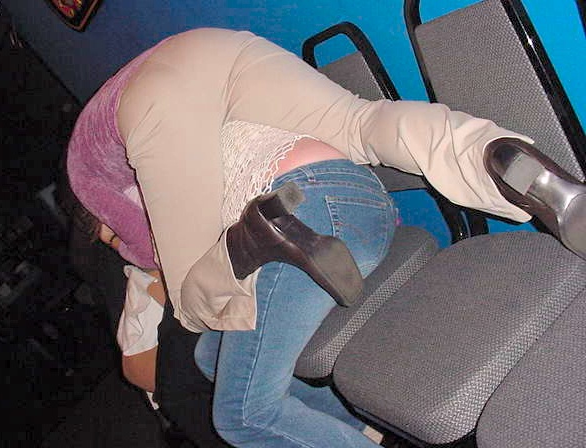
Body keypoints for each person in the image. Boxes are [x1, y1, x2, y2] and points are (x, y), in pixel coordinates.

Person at [65, 27, 585, 447]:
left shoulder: (98, 173)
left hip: (300, 212)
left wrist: (160, 265)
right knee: (361, 123)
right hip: (354, 200)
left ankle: (258, 237)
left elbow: (159, 256)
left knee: (236, 403)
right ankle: (490, 153)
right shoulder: (210, 126)